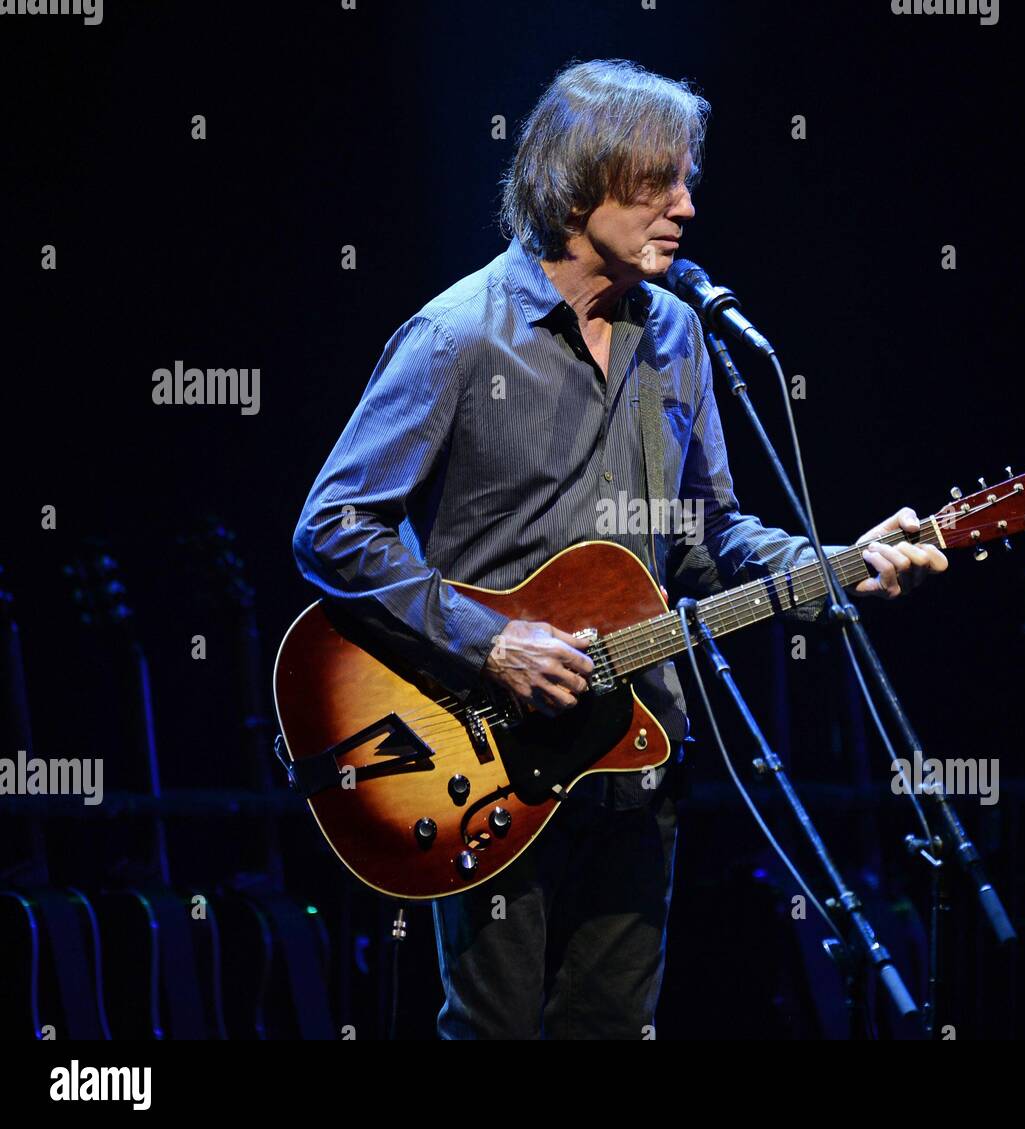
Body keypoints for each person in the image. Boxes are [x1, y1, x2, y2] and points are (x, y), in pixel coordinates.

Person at [292, 58, 948, 1040]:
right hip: (483, 757)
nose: (686, 204)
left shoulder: (678, 337)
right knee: (497, 1027)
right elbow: (332, 527)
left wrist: (842, 559)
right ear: (577, 181)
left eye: (688, 178)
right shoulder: (457, 336)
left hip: (637, 745)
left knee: (610, 1023)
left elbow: (711, 532)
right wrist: (490, 643)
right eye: (659, 180)